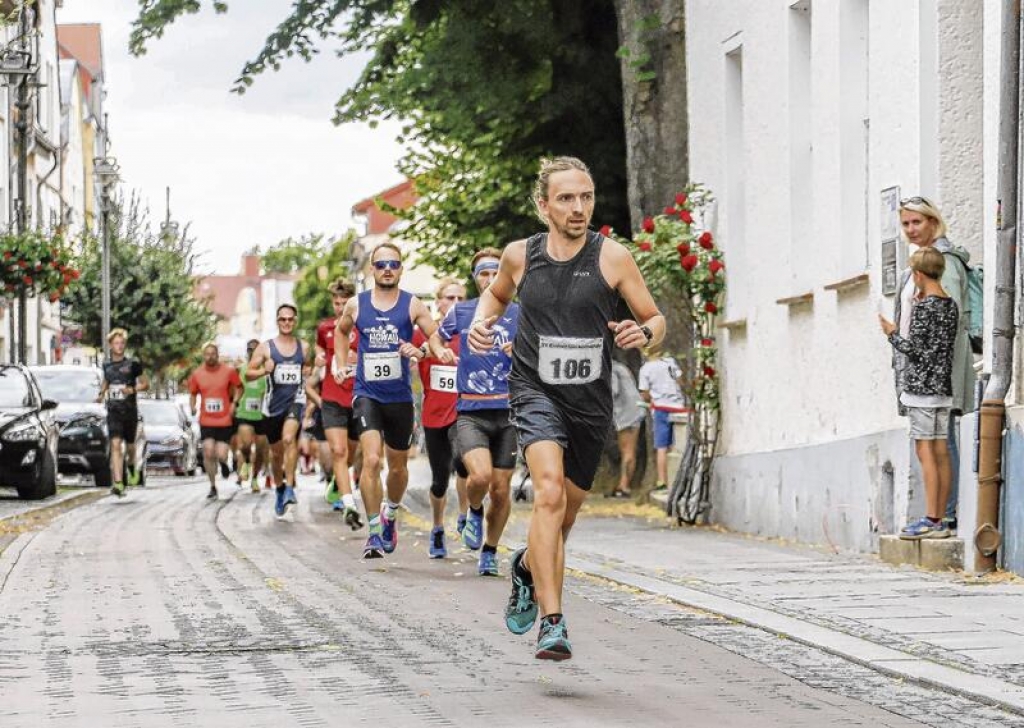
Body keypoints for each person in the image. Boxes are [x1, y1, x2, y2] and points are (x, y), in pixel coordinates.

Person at [469, 156, 665, 661]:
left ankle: (526, 567)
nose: (578, 208)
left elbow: (655, 319)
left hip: (589, 403)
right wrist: (482, 323)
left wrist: (641, 333)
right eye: (566, 199)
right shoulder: (520, 255)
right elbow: (494, 297)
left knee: (565, 515)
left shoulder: (613, 257)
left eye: (586, 197)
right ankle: (552, 622)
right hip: (534, 390)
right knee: (548, 493)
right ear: (544, 205)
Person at [335, 242, 452, 558]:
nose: (388, 269)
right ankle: (374, 533)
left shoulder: (412, 304)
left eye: (394, 264)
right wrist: (340, 362)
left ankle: (390, 512)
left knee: (398, 469)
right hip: (366, 393)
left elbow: (434, 336)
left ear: (401, 269)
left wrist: (426, 351)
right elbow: (341, 332)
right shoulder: (356, 305)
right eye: (381, 264)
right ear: (372, 269)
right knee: (372, 460)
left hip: (399, 397)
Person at [893, 196, 976, 530]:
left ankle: (945, 515)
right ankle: (939, 515)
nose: (912, 229)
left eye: (918, 222)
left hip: (938, 371)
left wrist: (936, 371)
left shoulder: (945, 263)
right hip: (921, 370)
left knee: (942, 440)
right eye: (906, 224)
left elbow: (947, 321)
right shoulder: (921, 262)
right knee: (935, 441)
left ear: (933, 223)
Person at [434, 249, 520, 574]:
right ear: (475, 278)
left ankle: (490, 549)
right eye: (483, 273)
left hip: (509, 412)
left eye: (496, 271)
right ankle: (472, 510)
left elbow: (540, 353)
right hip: (471, 409)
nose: (490, 278)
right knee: (480, 476)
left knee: (500, 490)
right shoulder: (462, 311)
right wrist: (441, 350)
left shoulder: (520, 313)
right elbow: (435, 337)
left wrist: (522, 350)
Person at [880, 248, 958, 539]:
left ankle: (931, 518)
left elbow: (917, 352)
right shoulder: (949, 305)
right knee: (941, 451)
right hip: (942, 388)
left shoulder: (925, 308)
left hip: (921, 389)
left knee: (925, 453)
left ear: (919, 275)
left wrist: (892, 333)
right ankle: (944, 517)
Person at [414, 277, 469, 559]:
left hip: (465, 412)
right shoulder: (426, 334)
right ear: (438, 302)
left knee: (464, 462)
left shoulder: (473, 332)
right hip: (434, 415)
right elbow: (411, 358)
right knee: (439, 480)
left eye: (461, 298)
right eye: (450, 298)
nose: (455, 304)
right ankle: (437, 528)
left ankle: (463, 516)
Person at [247, 304, 312, 517]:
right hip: (272, 406)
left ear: (295, 321)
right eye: (282, 319)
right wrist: (262, 371)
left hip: (296, 401)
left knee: (288, 439)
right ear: (277, 321)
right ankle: (280, 488)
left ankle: (291, 486)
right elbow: (248, 374)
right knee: (276, 455)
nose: (286, 323)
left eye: (290, 319)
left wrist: (309, 370)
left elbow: (308, 370)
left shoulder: (303, 347)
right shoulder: (266, 348)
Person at [316, 278, 363, 529]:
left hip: (358, 396)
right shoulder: (325, 328)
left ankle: (339, 479)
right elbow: (320, 351)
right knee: (338, 451)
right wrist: (319, 359)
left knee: (353, 454)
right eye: (336, 303)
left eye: (344, 303)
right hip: (332, 396)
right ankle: (348, 504)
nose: (340, 307)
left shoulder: (364, 326)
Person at [97, 328, 150, 497]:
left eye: (122, 343)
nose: (119, 346)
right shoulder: (106, 365)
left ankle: (132, 466)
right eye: (116, 343)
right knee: (115, 445)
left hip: (129, 411)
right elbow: (106, 382)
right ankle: (118, 483)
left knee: (131, 446)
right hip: (113, 411)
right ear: (111, 345)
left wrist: (132, 389)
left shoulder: (132, 365)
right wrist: (100, 395)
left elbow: (145, 384)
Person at [188, 342, 243, 500]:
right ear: (203, 355)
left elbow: (240, 387)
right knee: (207, 450)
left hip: (224, 420)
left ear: (217, 355)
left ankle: (223, 463)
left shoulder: (228, 371)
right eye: (207, 354)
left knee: (220, 453)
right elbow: (192, 393)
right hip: (206, 419)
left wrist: (234, 403)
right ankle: (212, 485)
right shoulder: (197, 374)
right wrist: (192, 407)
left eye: (213, 353)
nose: (210, 356)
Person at [638, 348, 686, 490]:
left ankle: (662, 480)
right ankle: (678, 478)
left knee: (661, 447)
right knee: (677, 445)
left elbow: (645, 393)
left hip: (660, 408)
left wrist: (651, 398)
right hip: (678, 407)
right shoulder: (670, 363)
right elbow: (680, 382)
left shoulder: (645, 369)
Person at [235, 339, 270, 493]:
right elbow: (235, 387)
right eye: (250, 349)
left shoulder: (267, 370)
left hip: (262, 413)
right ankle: (247, 463)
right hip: (245, 412)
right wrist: (234, 402)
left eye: (255, 349)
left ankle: (255, 478)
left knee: (262, 449)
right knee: (246, 445)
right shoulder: (241, 369)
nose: (252, 352)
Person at [610, 358, 645, 498]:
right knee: (626, 449)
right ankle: (622, 485)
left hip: (627, 412)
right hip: (632, 409)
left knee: (627, 450)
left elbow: (613, 391)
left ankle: (624, 487)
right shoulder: (620, 366)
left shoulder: (611, 369)